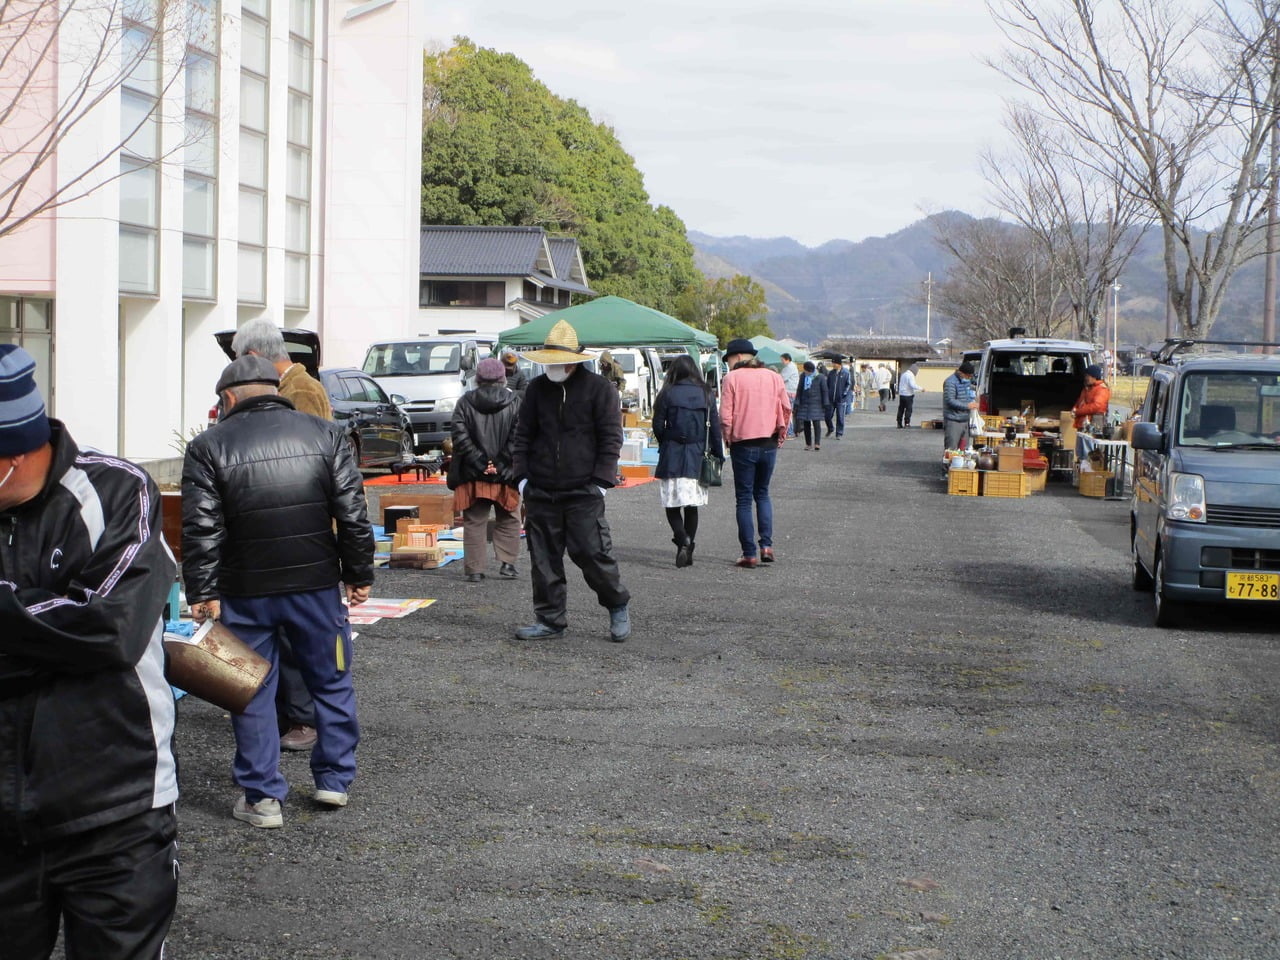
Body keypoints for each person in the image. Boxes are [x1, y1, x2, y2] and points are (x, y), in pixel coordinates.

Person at [0, 345, 180, 958]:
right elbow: (73, 633)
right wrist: (42, 629)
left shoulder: (116, 490)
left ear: (13, 452)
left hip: (114, 808)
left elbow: (109, 628)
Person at [182, 356, 374, 829]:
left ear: (228, 398)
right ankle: (333, 780)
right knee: (331, 680)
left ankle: (262, 797)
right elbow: (352, 512)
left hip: (243, 591)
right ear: (275, 387)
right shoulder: (324, 434)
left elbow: (201, 529)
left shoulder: (208, 446)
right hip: (316, 588)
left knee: (250, 690)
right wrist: (358, 573)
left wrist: (203, 591)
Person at [231, 318, 328, 753]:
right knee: (291, 634)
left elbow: (300, 461)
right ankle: (293, 715)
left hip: (296, 530)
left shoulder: (300, 390)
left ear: (254, 357)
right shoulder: (298, 385)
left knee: (292, 639)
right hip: (296, 530)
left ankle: (303, 719)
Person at [510, 320, 632, 642]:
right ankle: (549, 619)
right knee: (543, 559)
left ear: (574, 361)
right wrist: (522, 479)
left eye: (558, 361)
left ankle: (617, 604)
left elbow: (610, 438)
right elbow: (522, 437)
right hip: (540, 489)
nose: (552, 367)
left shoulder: (600, 389)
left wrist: (600, 482)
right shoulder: (535, 390)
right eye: (547, 362)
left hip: (584, 491)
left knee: (593, 554)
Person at [719, 338, 791, 568]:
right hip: (768, 443)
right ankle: (766, 546)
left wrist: (728, 439)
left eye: (729, 359)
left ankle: (749, 553)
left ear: (738, 357)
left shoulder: (731, 378)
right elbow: (786, 408)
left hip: (743, 443)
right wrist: (781, 434)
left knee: (743, 499)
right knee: (762, 494)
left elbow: (725, 416)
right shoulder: (774, 376)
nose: (728, 364)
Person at [450, 357, 521, 583]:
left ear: (478, 379)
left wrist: (481, 462)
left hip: (473, 472)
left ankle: (475, 570)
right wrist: (499, 463)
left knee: (474, 520)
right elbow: (518, 436)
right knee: (509, 517)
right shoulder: (515, 402)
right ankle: (508, 564)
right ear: (503, 378)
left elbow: (459, 437)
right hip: (506, 472)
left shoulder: (464, 403)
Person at [652, 354, 723, 568]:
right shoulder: (706, 393)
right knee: (692, 505)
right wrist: (719, 454)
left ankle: (682, 538)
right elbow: (715, 428)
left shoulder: (667, 392)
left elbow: (657, 424)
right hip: (697, 453)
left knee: (671, 504)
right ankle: (688, 547)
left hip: (673, 452)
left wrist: (666, 440)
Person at [793, 359, 829, 451]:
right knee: (806, 424)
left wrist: (826, 403)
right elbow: (799, 389)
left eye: (805, 370)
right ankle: (808, 444)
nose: (804, 371)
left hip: (816, 403)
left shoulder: (820, 377)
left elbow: (824, 391)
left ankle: (817, 443)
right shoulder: (803, 376)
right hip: (804, 403)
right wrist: (797, 401)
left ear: (809, 370)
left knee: (816, 423)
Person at [943, 360, 978, 453]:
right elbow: (950, 400)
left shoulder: (966, 382)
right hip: (953, 420)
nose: (969, 378)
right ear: (961, 373)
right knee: (951, 449)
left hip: (964, 419)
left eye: (971, 376)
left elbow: (967, 395)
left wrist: (972, 400)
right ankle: (947, 467)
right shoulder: (950, 382)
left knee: (964, 449)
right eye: (968, 376)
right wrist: (967, 406)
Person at [1073, 363, 1112, 431]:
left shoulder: (1102, 389)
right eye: (1086, 375)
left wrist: (1077, 411)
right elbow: (1079, 402)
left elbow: (1096, 406)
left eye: (1088, 376)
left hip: (1095, 422)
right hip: (1083, 423)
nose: (1086, 378)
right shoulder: (1087, 388)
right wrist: (1074, 409)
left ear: (1094, 377)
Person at [824, 357, 851, 438]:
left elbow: (848, 384)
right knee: (827, 416)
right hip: (831, 398)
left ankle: (839, 433)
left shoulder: (846, 372)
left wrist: (844, 393)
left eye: (834, 363)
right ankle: (830, 428)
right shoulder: (831, 373)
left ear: (839, 364)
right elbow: (827, 384)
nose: (833, 365)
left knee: (840, 417)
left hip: (841, 399)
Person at [779, 352, 800, 438]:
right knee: (789, 412)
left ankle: (789, 432)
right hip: (792, 392)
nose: (782, 362)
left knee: (787, 412)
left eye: (782, 360)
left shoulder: (789, 367)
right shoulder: (792, 366)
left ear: (787, 359)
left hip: (789, 392)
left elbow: (782, 378)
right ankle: (790, 431)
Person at [897, 362, 923, 428]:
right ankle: (907, 423)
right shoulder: (910, 375)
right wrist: (921, 388)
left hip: (902, 394)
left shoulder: (904, 374)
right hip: (908, 395)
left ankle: (899, 423)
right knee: (908, 409)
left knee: (901, 409)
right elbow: (912, 385)